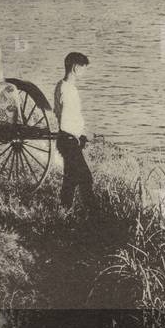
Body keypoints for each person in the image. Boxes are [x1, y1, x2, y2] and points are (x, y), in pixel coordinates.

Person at [54, 52, 96, 212]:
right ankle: (94, 216)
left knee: (71, 179)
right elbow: (65, 122)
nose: (84, 72)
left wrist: (83, 132)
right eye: (84, 69)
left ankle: (63, 212)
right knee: (85, 178)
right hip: (69, 140)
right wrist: (80, 135)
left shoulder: (62, 85)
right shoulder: (68, 90)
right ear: (75, 68)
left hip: (67, 139)